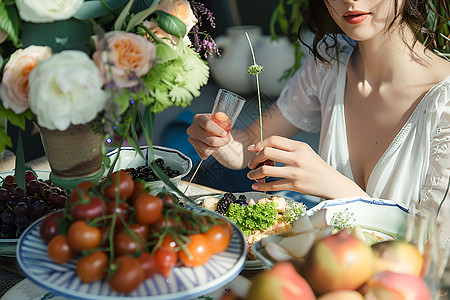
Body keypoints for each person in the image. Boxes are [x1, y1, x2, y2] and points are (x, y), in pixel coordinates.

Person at [186, 0, 450, 248]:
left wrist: (333, 185)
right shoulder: (329, 62)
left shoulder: (444, 103)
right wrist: (219, 140)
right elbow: (248, 146)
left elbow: (434, 249)